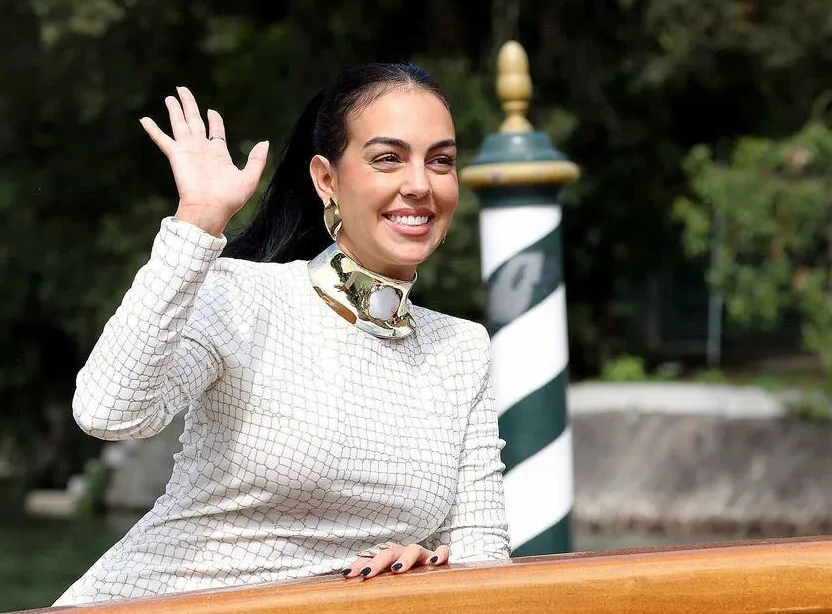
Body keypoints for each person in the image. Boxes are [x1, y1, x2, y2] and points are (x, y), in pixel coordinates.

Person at [53, 63, 509, 606]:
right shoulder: (240, 296)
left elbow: (485, 565)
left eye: (440, 161)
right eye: (388, 158)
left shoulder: (462, 349)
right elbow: (108, 413)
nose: (419, 185)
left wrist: (431, 569)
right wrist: (196, 223)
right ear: (326, 180)